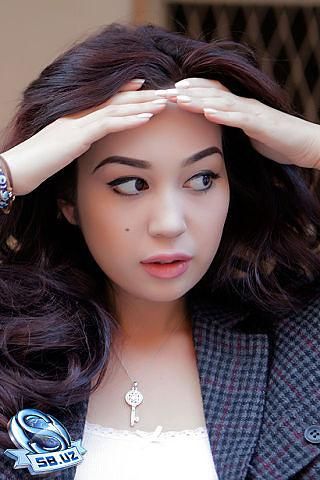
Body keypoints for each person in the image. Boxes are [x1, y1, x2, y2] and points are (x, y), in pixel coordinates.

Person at [0, 22, 320, 480]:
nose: (170, 223)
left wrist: (311, 143)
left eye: (202, 179)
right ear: (67, 199)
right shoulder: (12, 344)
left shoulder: (298, 341)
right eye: (130, 184)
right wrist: (11, 171)